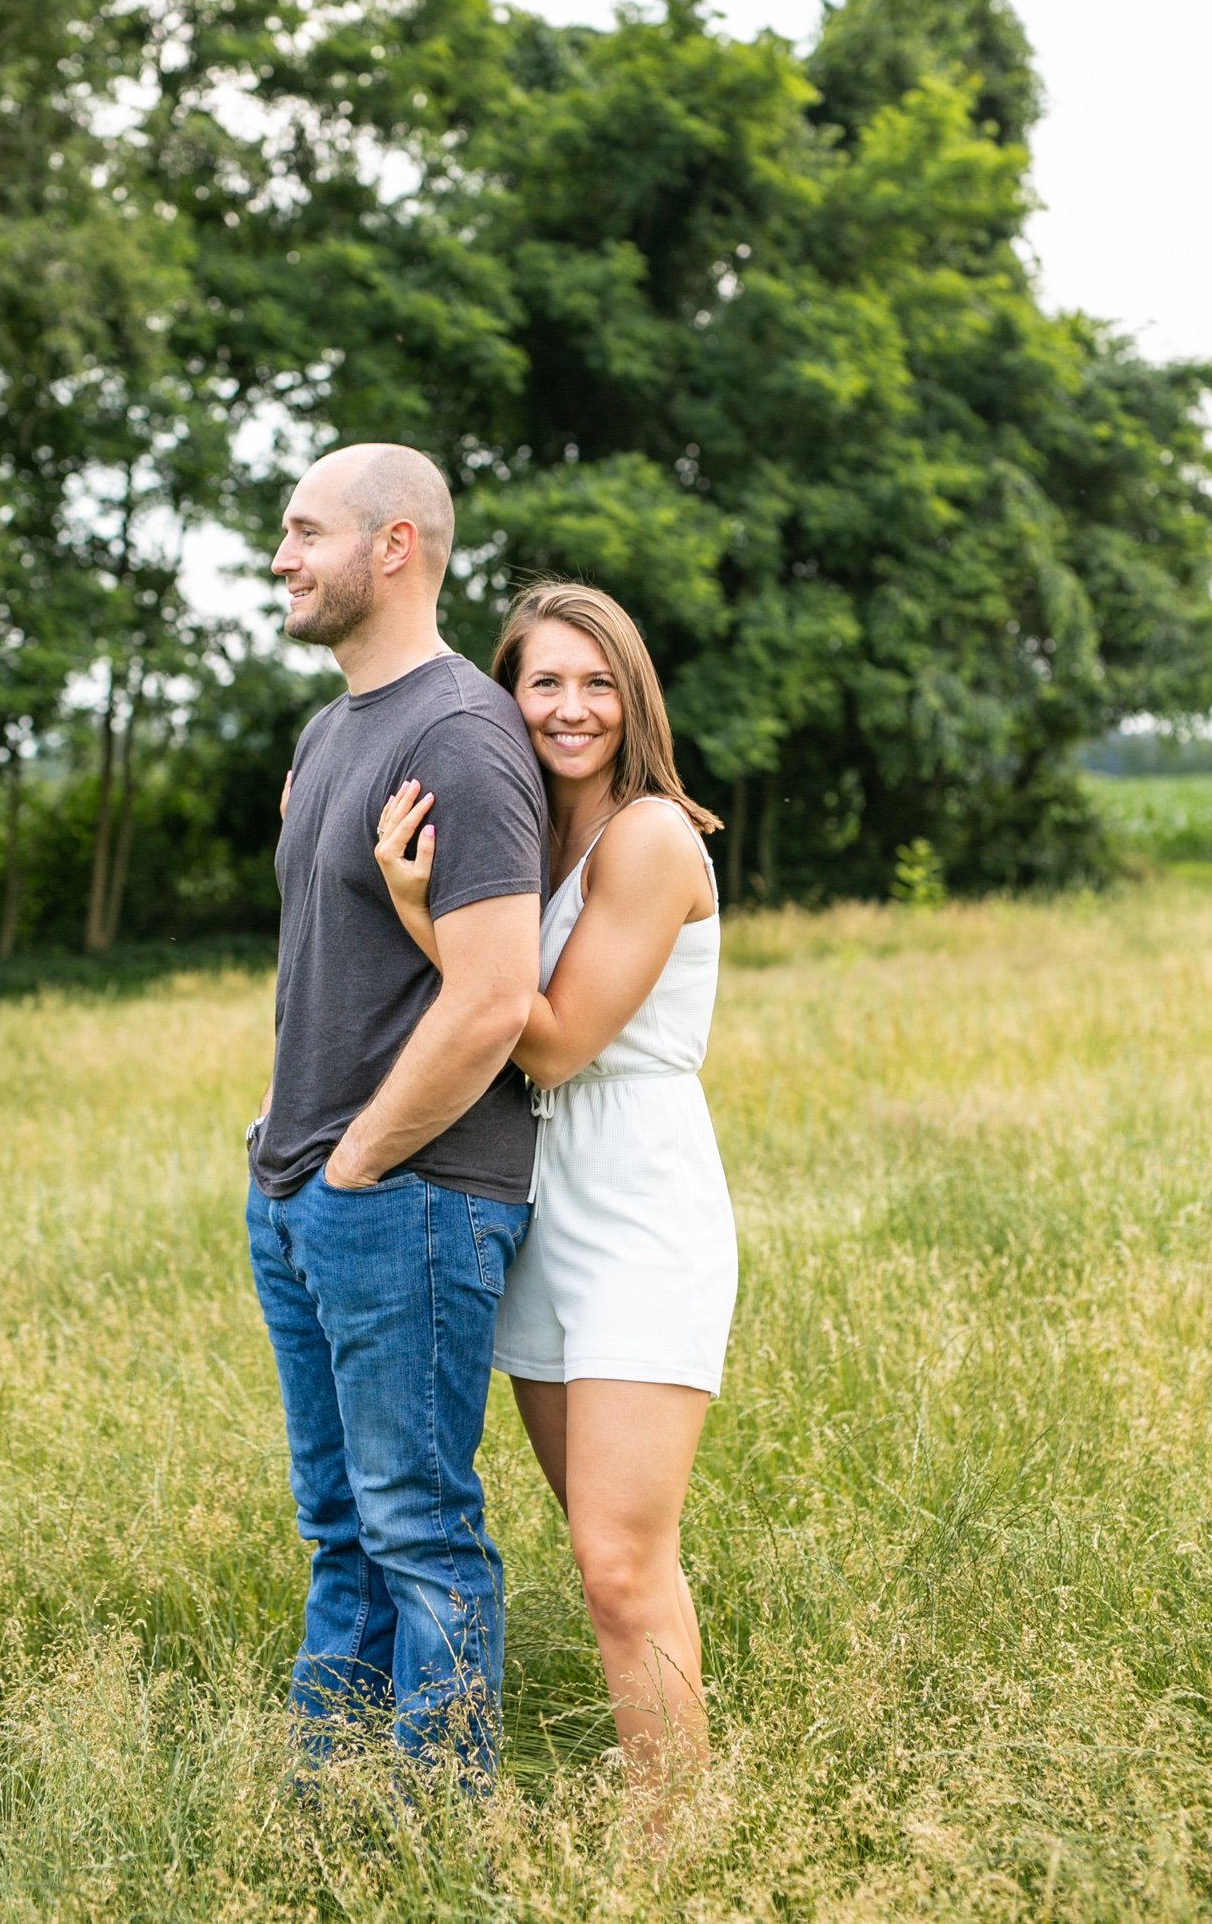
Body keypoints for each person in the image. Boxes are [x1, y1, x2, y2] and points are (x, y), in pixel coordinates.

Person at [373, 582, 737, 1809]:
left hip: (635, 1199)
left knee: (623, 1562)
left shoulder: (648, 838)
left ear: (633, 697)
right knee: (598, 1560)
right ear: (507, 693)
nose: (572, 707)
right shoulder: (527, 839)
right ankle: (663, 1800)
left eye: (597, 682)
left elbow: (555, 1041)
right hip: (533, 1199)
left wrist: (428, 920)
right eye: (544, 682)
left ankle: (677, 1838)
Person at [245, 442, 545, 1780]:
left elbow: (491, 999)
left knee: (419, 1526)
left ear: (396, 545)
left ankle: (435, 1825)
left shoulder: (461, 738)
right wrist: (279, 1156)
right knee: (341, 1524)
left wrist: (358, 1162)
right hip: (302, 1192)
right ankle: (328, 1801)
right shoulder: (331, 730)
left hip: (409, 1199)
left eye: (305, 531)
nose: (281, 556)